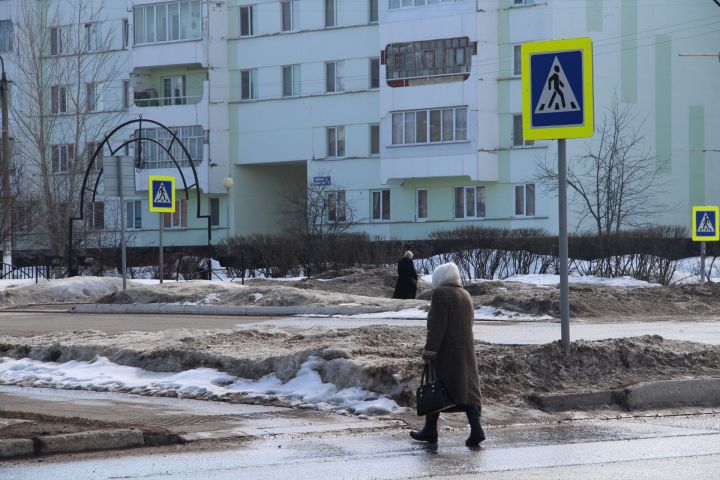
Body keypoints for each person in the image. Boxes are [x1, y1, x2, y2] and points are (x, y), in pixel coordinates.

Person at [410, 262, 485, 447]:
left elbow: (437, 326)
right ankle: (476, 429)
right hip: (466, 351)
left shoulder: (441, 294)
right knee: (467, 391)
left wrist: (429, 352)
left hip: (447, 352)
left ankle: (430, 430)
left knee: (436, 388)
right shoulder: (465, 294)